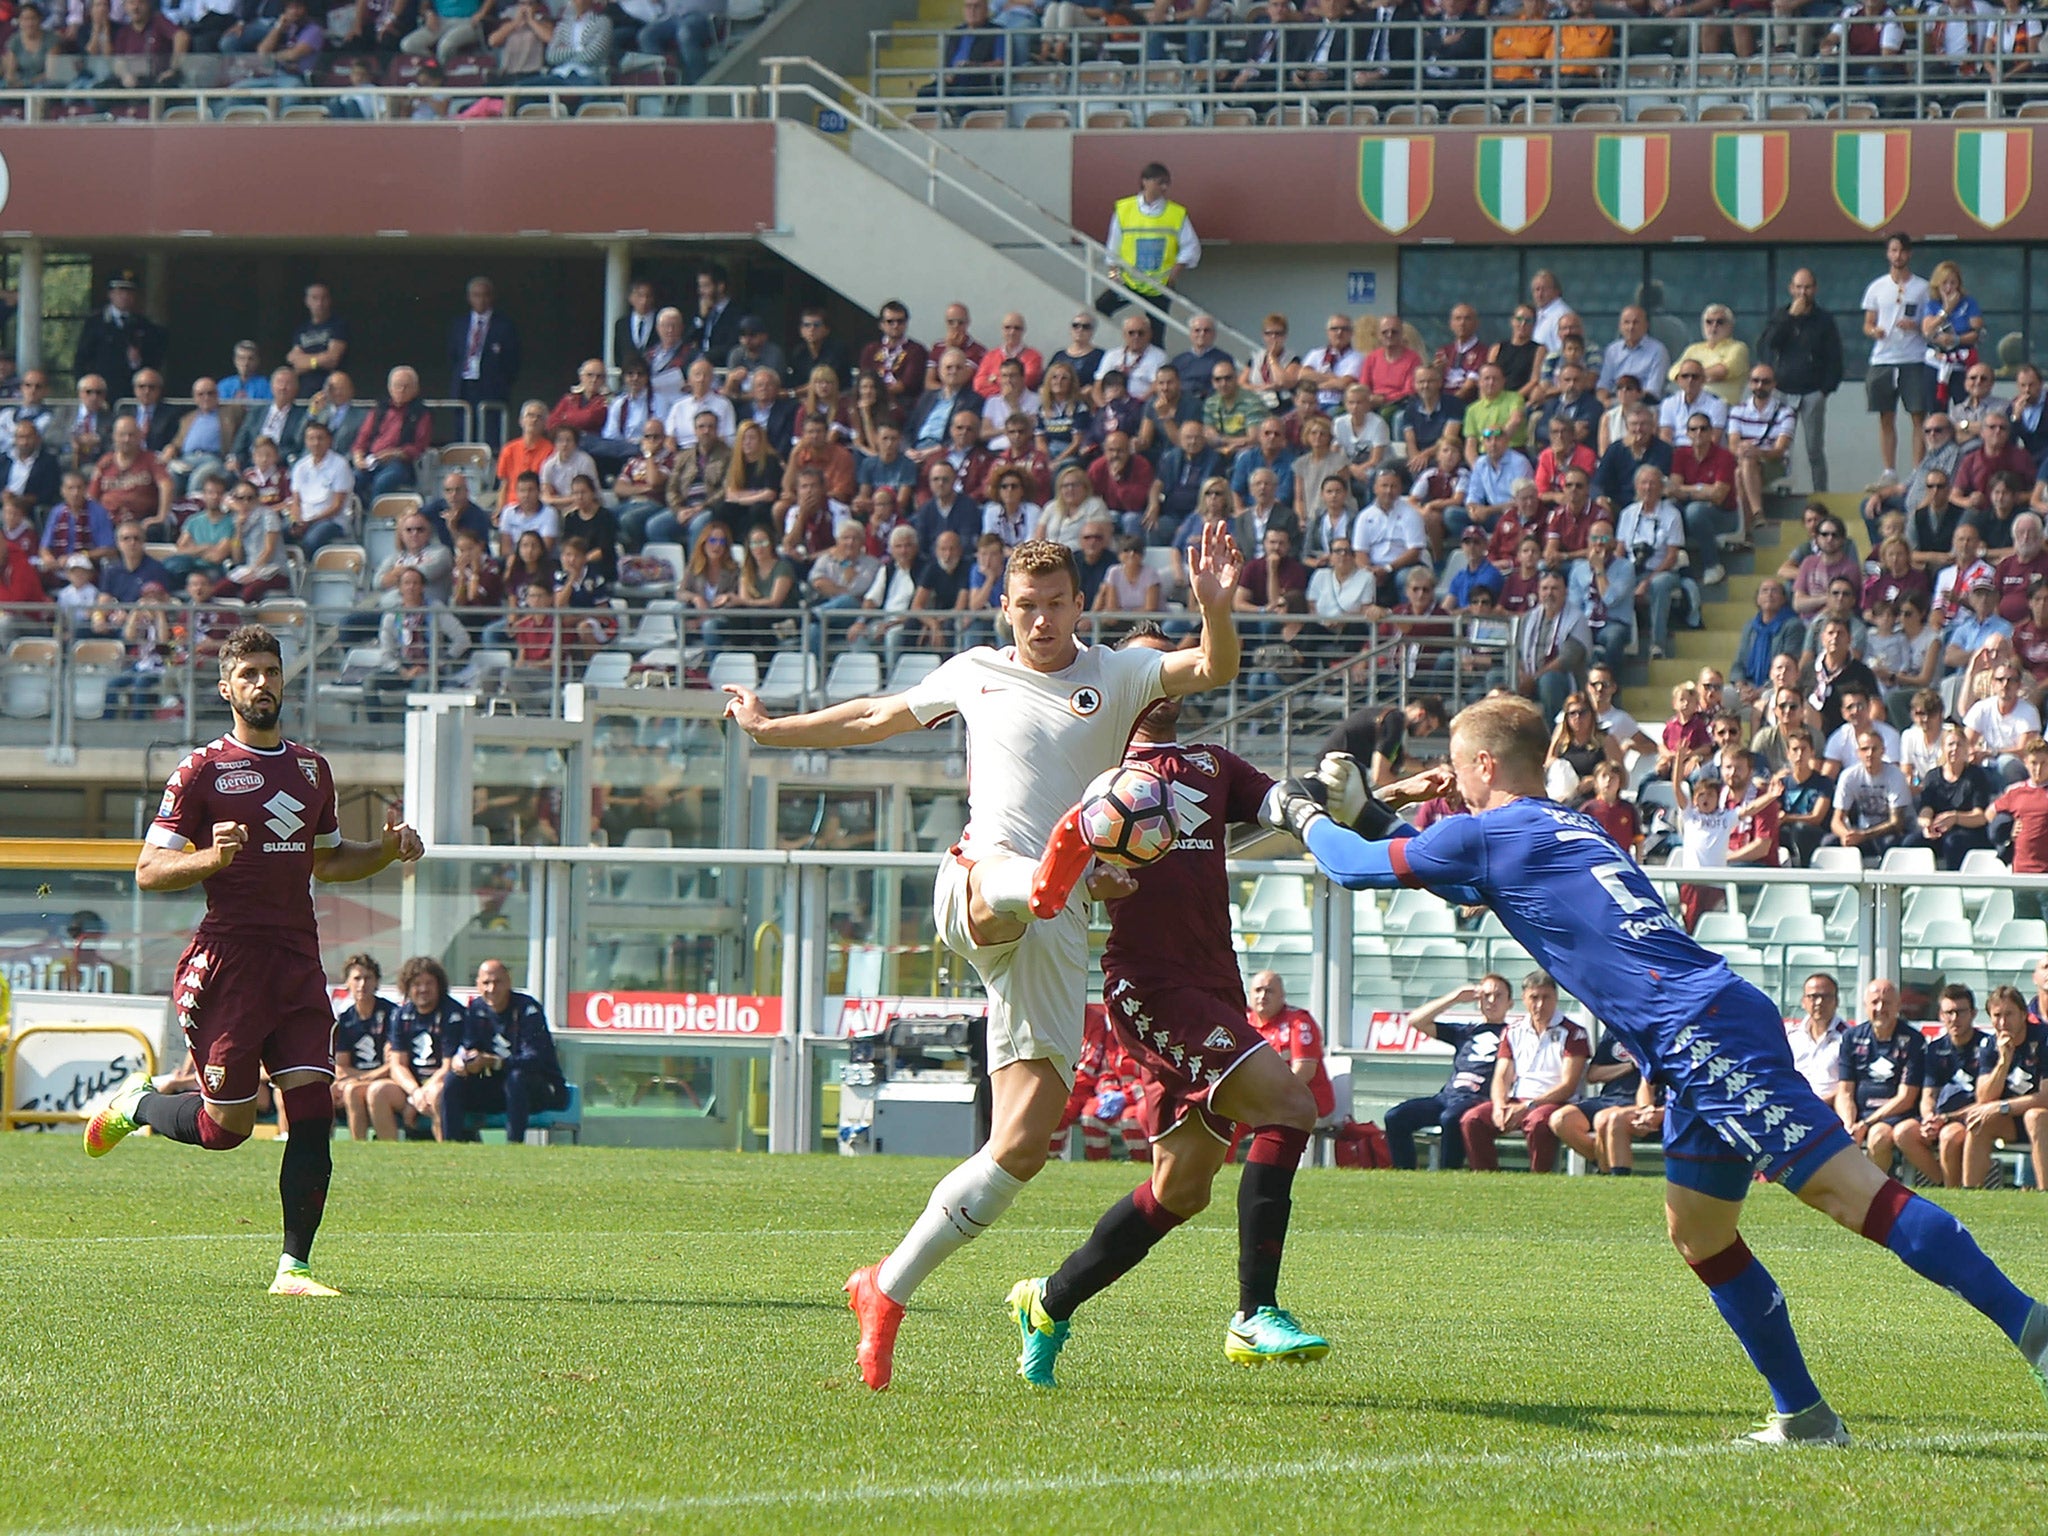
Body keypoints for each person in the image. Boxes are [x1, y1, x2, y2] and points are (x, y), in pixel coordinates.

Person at [1262, 693, 2048, 1443]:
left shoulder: (1493, 830)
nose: (1452, 782)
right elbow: (1465, 886)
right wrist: (1365, 812)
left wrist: (1299, 812)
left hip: (1696, 1029)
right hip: (1699, 1026)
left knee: (1852, 1195)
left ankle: (2033, 1329)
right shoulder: (1562, 826)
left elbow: (1362, 870)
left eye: (1458, 769)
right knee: (1700, 1232)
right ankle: (1805, 1415)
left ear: (1485, 768)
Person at [722, 529, 1243, 1392]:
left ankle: (884, 1290)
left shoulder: (1114, 673)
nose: (1041, 620)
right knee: (1013, 881)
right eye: (1026, 606)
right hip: (981, 880)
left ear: (1082, 605)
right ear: (1005, 609)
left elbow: (1209, 669)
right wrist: (770, 729)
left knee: (1025, 1142)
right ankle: (1050, 869)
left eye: (1056, 604)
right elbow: (871, 716)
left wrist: (1215, 609)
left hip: (1059, 921)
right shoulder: (974, 672)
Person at [1007, 625, 1327, 1386]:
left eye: (1170, 666)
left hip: (1214, 983)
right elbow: (1043, 869)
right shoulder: (1094, 770)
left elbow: (1278, 804)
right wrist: (1090, 883)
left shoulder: (1212, 766)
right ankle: (1255, 1314)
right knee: (1289, 1104)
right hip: (1148, 986)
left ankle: (1046, 1304)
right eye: (1147, 668)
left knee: (1179, 1191)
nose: (1165, 680)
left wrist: (1344, 800)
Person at [83, 626, 426, 1296]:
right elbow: (149, 871)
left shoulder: (310, 770)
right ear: (226, 687)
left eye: (271, 672)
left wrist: (386, 850)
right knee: (224, 1130)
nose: (262, 684)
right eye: (249, 675)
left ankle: (293, 1268)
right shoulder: (202, 771)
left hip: (297, 959)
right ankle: (139, 1105)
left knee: (312, 1112)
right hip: (228, 963)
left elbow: (327, 859)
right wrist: (211, 858)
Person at [1459, 970, 1590, 1174]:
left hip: (1556, 1103)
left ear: (1556, 998)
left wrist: (1529, 1105)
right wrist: (1499, 1105)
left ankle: (1539, 1177)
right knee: (1472, 1119)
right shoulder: (1513, 1031)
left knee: (1537, 1121)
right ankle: (1486, 1178)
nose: (1539, 1005)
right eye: (1534, 998)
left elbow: (1568, 1085)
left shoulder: (1574, 1032)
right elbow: (1502, 1076)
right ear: (1524, 999)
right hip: (1517, 1100)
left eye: (1545, 998)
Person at [1383, 977, 1508, 1170]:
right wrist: (1454, 998)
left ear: (1510, 1003)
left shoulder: (1514, 1034)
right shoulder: (1465, 1032)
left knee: (1450, 1118)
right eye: (1486, 995)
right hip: (1447, 1097)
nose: (1491, 1001)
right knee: (1395, 1117)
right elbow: (1416, 1021)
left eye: (1498, 996)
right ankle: (1405, 1174)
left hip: (1479, 1099)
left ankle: (1447, 1174)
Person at [438, 958, 567, 1144]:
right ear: (478, 985)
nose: (491, 989)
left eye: (497, 982)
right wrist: (463, 1060)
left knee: (516, 1078)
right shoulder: (476, 1009)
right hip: (497, 1086)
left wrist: (496, 1062)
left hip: (539, 1089)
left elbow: (535, 1059)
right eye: (486, 983)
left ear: (508, 982)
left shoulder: (527, 1009)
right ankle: (452, 1146)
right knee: (453, 1079)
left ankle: (514, 1146)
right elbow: (469, 1046)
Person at [1893, 983, 1993, 1188]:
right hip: (1940, 1118)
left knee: (1949, 1136)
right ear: (1940, 1015)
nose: (1954, 1018)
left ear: (1973, 1013)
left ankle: (1952, 1189)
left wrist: (1945, 1119)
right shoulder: (1934, 1049)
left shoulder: (1987, 1046)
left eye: (1960, 1012)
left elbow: (1987, 1101)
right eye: (1949, 1012)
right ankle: (1946, 1185)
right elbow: (1929, 1095)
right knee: (1903, 1133)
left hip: (1971, 1118)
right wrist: (1929, 1118)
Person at [1755, 268, 1845, 492]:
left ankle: (1821, 492)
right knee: (1781, 445)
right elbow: (1768, 345)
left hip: (1813, 391)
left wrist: (1826, 389)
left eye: (1807, 287)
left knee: (1814, 448)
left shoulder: (1824, 320)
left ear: (1815, 289)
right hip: (1783, 390)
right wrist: (1789, 318)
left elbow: (1835, 357)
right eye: (1798, 287)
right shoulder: (1780, 315)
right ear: (1791, 289)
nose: (1803, 292)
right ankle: (1781, 488)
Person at [1098, 161, 1200, 344]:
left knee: (1157, 336)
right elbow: (1113, 244)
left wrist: (1174, 274)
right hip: (1129, 280)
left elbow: (1191, 246)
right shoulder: (1124, 209)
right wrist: (1113, 273)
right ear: (1145, 181)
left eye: (1166, 183)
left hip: (1159, 284)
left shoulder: (1176, 213)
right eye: (1160, 182)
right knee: (1100, 308)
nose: (1164, 187)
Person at [1835, 977, 1923, 1177]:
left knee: (1878, 1136)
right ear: (1866, 1005)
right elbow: (1845, 1092)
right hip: (1859, 1116)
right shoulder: (1851, 1037)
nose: (1880, 1007)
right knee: (1837, 1135)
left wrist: (1865, 1125)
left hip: (1894, 1116)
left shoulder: (1913, 1040)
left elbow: (1906, 1097)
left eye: (1887, 1002)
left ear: (1898, 1006)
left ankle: (1871, 1193)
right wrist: (1849, 1124)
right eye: (1875, 1002)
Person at [1962, 983, 2047, 1190]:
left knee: (2035, 1116)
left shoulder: (2044, 1039)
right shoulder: (1990, 1045)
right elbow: (1984, 1098)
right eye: (1996, 1015)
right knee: (1978, 1120)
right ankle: (1970, 1193)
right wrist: (2003, 1062)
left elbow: (2045, 1097)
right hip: (2012, 1120)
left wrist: (2002, 1107)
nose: (2002, 1022)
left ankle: (2044, 1192)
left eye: (2009, 1014)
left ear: (2024, 1014)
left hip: (2042, 1119)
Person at [1863, 231, 1933, 481]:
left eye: (1902, 250)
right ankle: (1889, 470)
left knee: (1918, 416)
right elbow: (1868, 323)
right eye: (1893, 250)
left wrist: (1915, 327)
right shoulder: (1877, 287)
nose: (1898, 255)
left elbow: (1930, 324)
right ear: (1887, 253)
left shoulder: (1923, 288)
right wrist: (1875, 331)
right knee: (1885, 416)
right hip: (1883, 359)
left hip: (1913, 359)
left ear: (1909, 253)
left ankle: (1917, 470)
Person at [331, 952, 404, 1142]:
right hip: (358, 1081)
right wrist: (357, 1079)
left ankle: (385, 1147)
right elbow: (341, 1067)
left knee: (354, 1090)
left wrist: (363, 1078)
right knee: (328, 1092)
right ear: (347, 983)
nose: (362, 984)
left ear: (377, 982)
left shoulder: (391, 1014)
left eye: (368, 978)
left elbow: (393, 1064)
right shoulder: (345, 1019)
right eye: (357, 978)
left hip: (388, 1081)